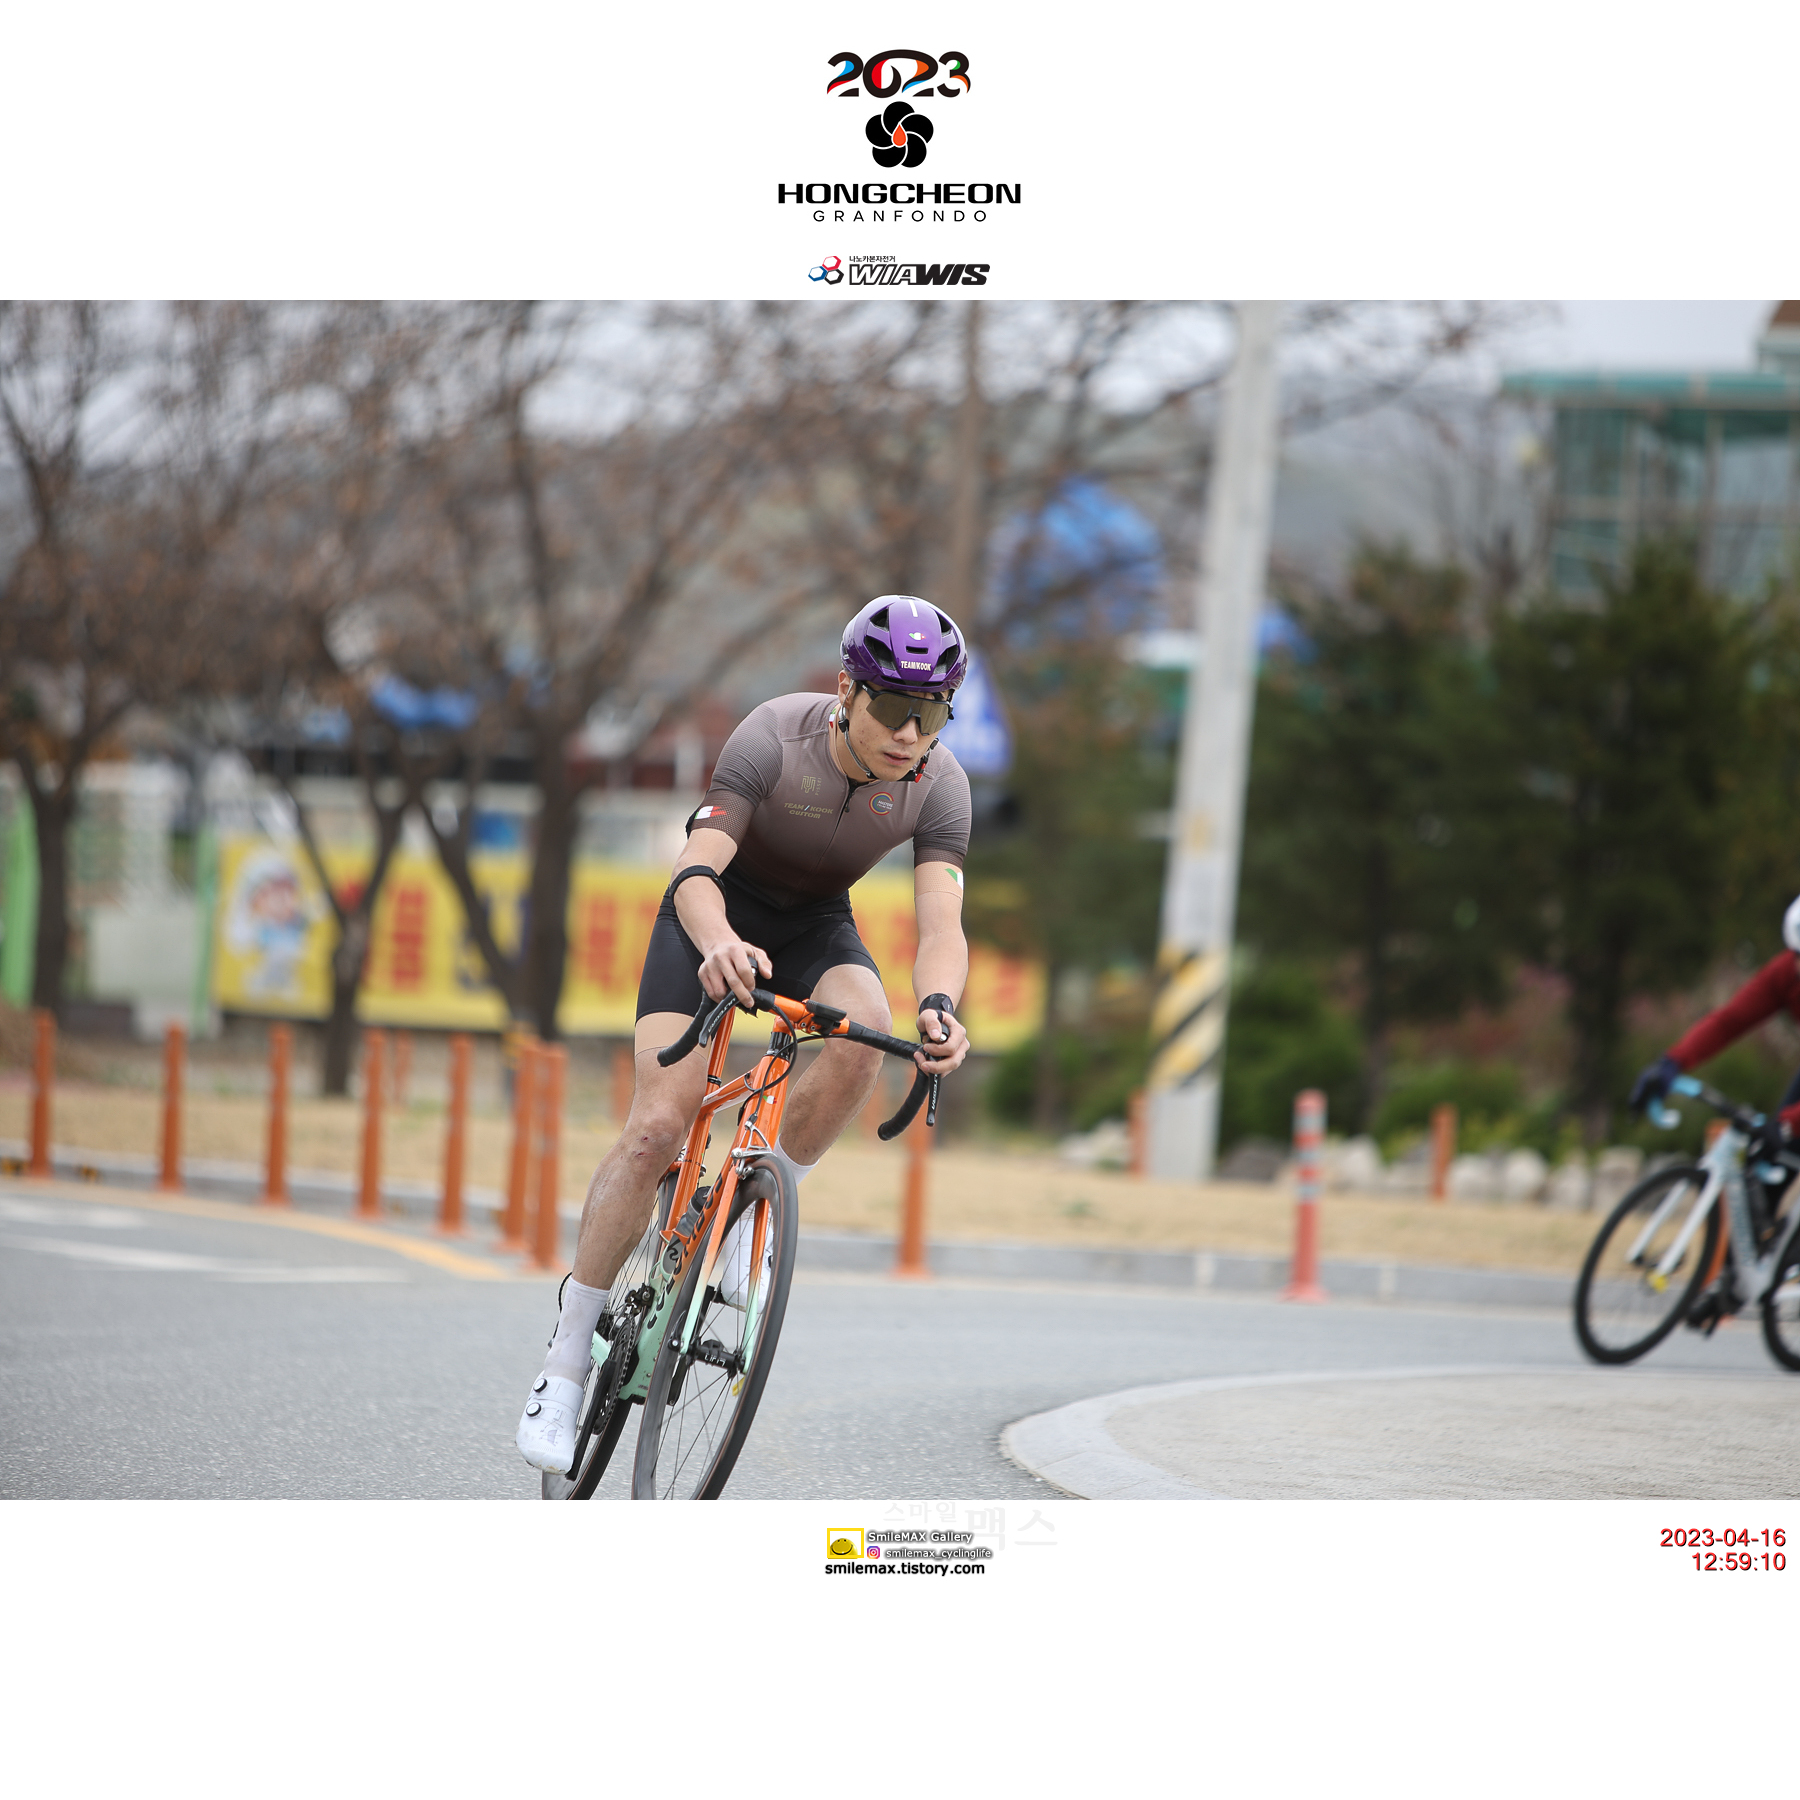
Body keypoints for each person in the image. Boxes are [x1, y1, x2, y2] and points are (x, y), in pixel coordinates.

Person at [517, 595, 976, 1472]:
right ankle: (565, 1362)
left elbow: (941, 926)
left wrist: (942, 1006)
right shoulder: (773, 737)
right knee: (659, 1124)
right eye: (892, 707)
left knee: (870, 1027)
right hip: (711, 917)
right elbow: (694, 873)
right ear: (847, 690)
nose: (909, 733)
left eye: (931, 713)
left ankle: (744, 1230)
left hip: (814, 927)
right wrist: (721, 941)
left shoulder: (941, 784)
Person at [1629, 894, 1800, 1148]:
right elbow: (1729, 1021)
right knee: (1770, 1153)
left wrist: (1790, 1124)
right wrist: (1673, 1061)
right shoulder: (1786, 973)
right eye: (1797, 955)